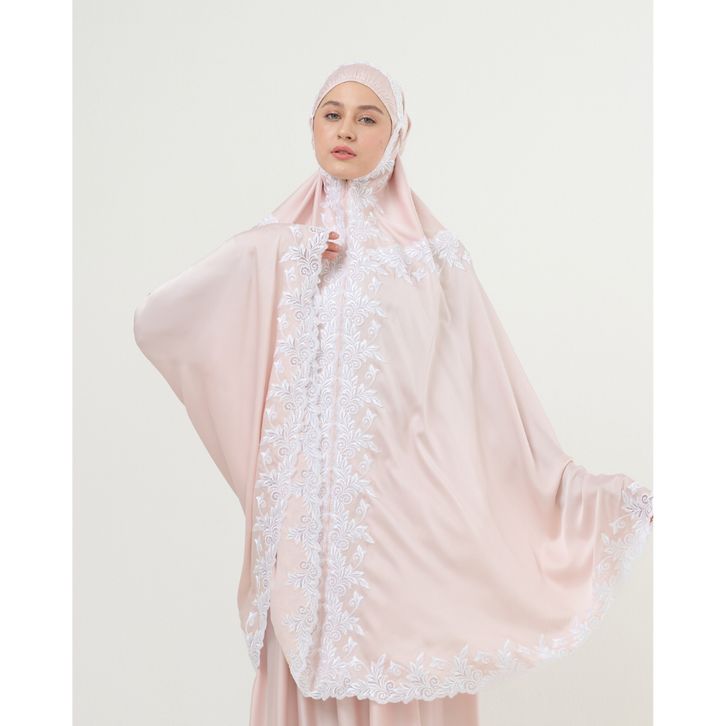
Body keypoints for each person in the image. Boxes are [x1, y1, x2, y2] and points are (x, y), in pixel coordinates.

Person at [133, 62, 653, 726]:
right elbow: (164, 319)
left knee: (402, 663)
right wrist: (281, 255)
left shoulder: (432, 257)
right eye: (332, 114)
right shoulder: (278, 243)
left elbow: (489, 391)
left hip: (404, 525)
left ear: (398, 134)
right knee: (305, 651)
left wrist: (576, 493)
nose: (346, 130)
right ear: (313, 127)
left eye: (367, 117)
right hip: (305, 527)